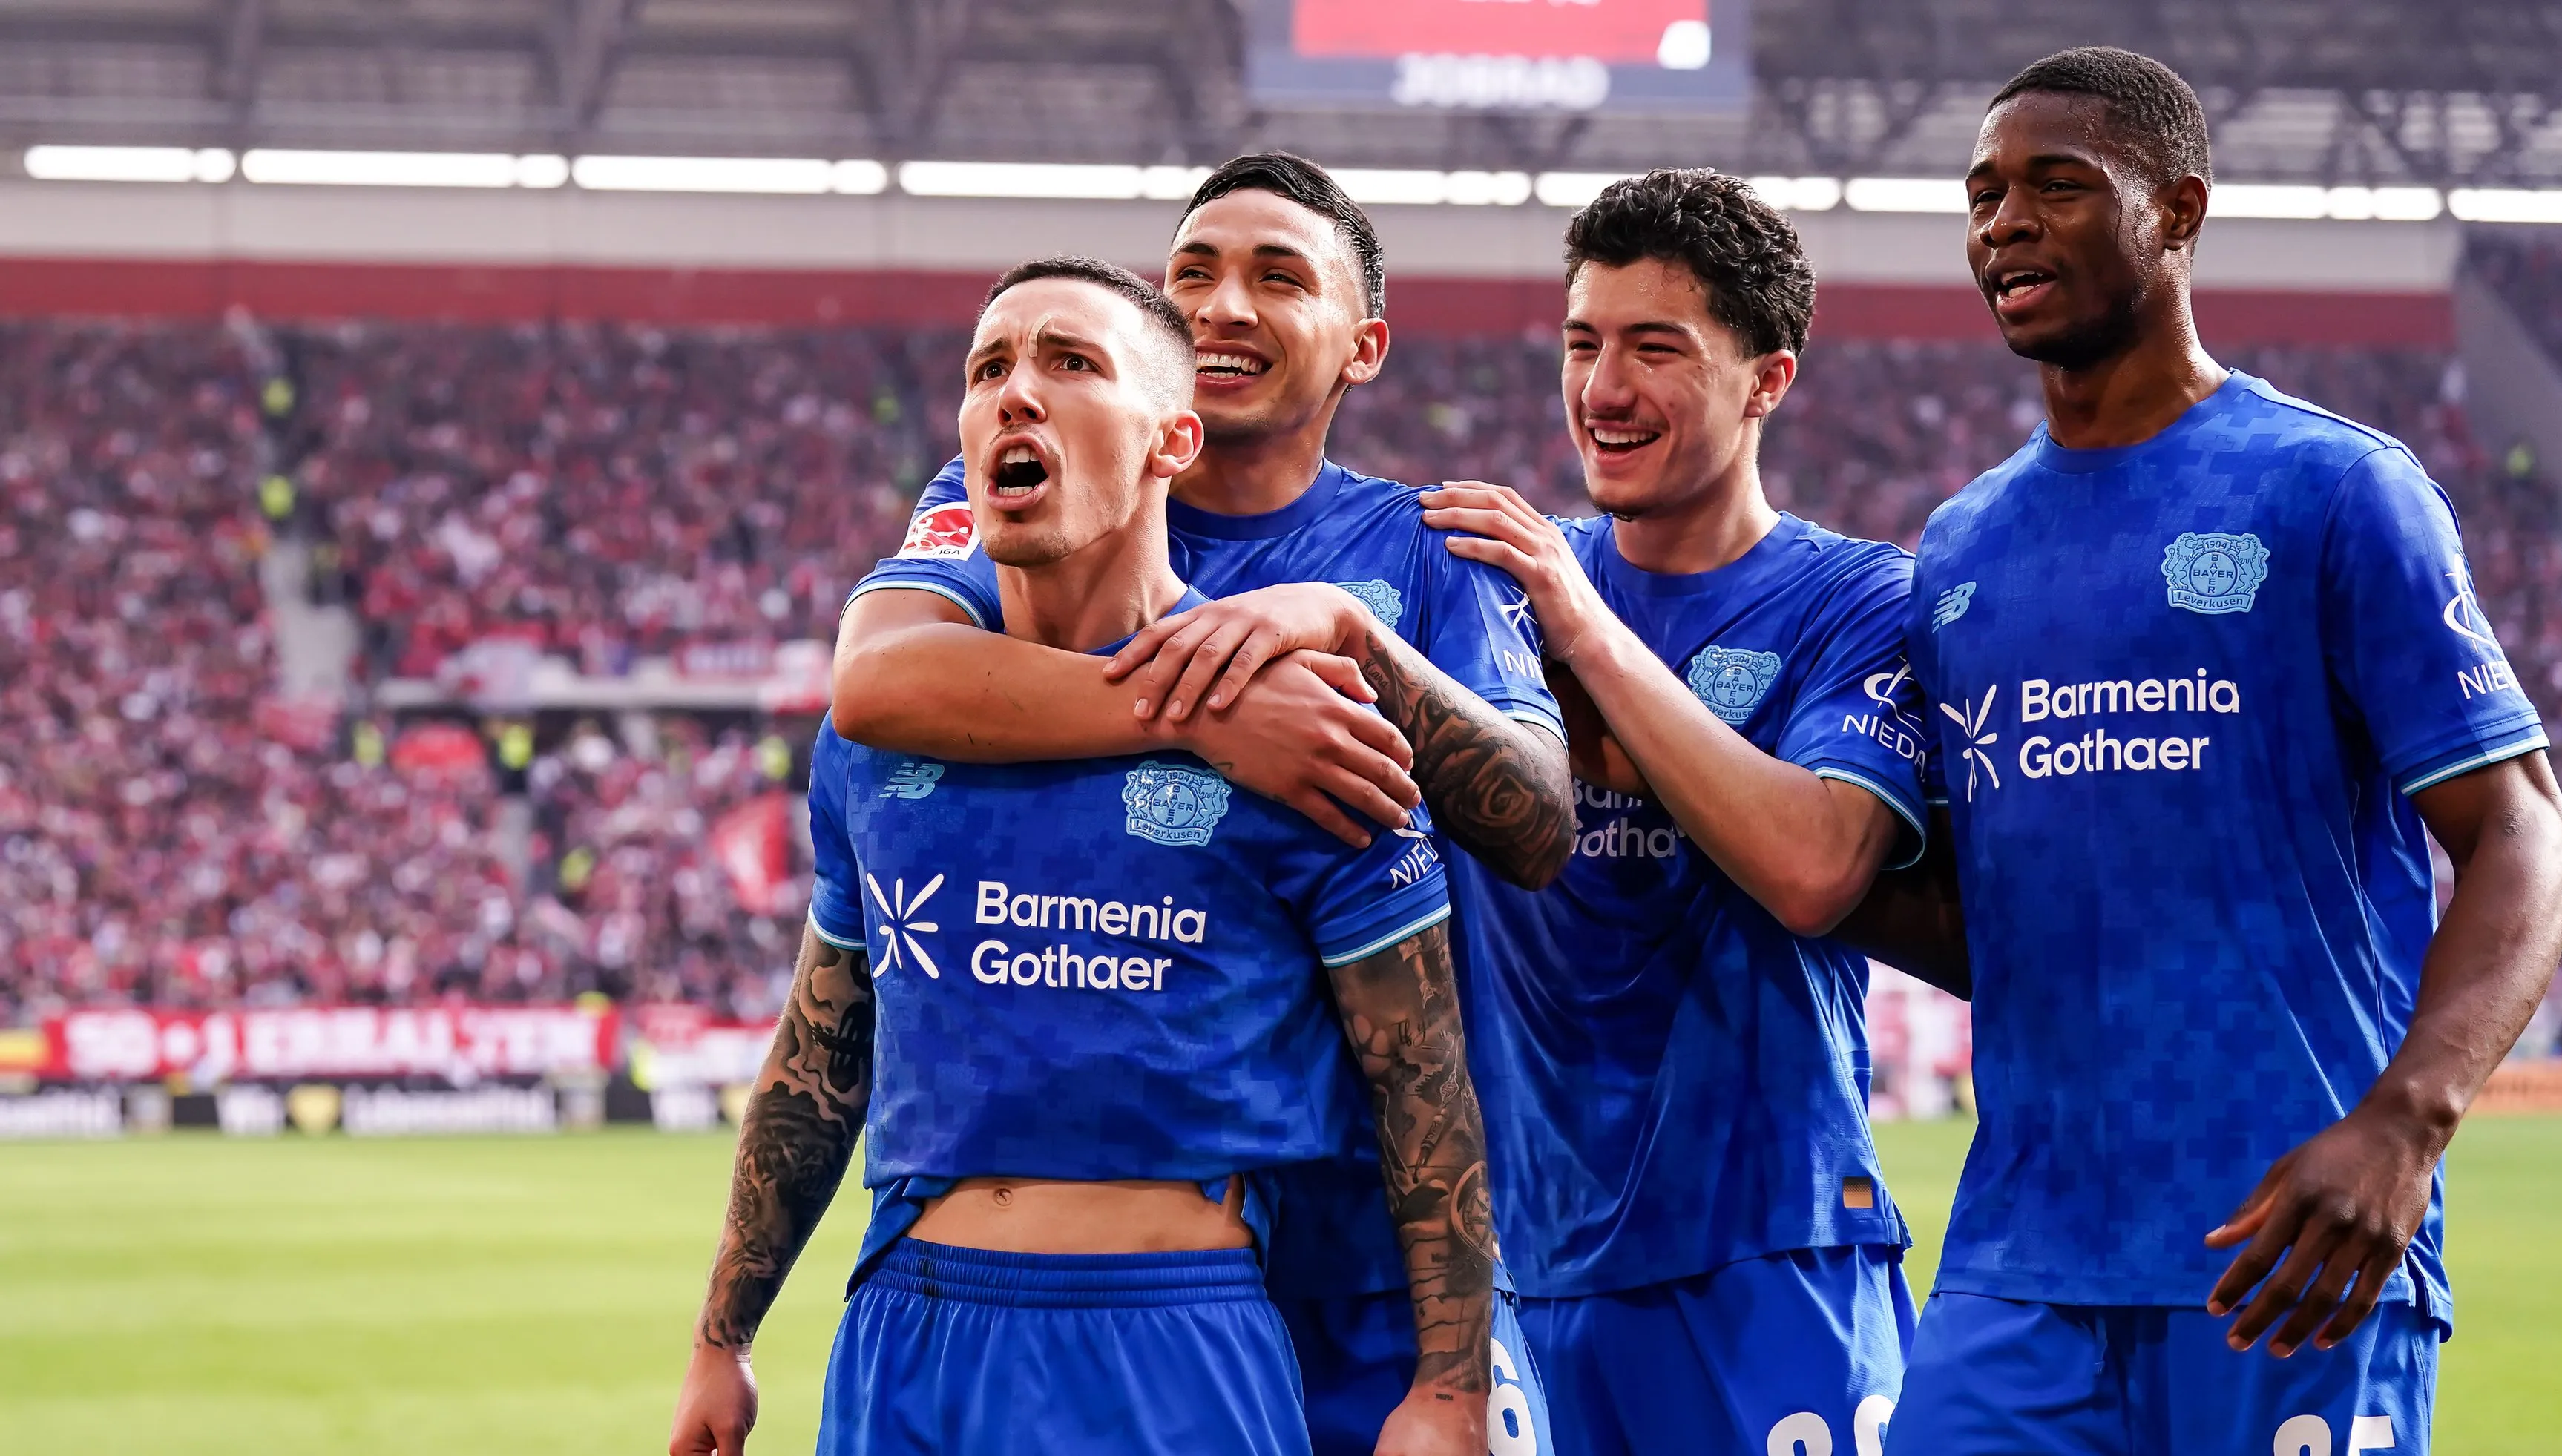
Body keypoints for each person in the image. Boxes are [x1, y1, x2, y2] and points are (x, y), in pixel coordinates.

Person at [666, 257, 1498, 1456]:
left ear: (1172, 440)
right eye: (988, 367)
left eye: (1070, 362)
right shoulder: (883, 733)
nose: (1015, 392)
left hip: (1169, 1343)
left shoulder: (1302, 728)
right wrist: (722, 1337)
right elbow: (819, 1050)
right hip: (908, 1333)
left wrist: (1449, 1386)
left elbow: (1424, 1084)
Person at [1886, 47, 2562, 1454]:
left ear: (2178, 212)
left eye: (2054, 185)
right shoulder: (1956, 549)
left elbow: (2523, 830)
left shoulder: (2333, 487)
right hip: (2019, 1266)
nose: (2002, 223)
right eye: (1981, 195)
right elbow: (1991, 915)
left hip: (2288, 1252)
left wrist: (2406, 1121)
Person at [833, 154, 1573, 1455]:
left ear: (1364, 345)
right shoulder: (1002, 493)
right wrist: (1209, 703)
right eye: (1192, 275)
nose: (1222, 304)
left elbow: (1532, 826)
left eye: (1275, 278)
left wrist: (1354, 637)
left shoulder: (1423, 548)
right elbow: (876, 682)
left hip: (1378, 1271)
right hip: (1145, 1255)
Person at [1408, 170, 1932, 1454]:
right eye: (1582, 344)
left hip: (1766, 1249)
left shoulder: (1857, 600)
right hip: (1519, 1273)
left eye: (1656, 348)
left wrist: (1585, 631)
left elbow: (1814, 864)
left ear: (1767, 379)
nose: (1603, 387)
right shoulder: (1488, 601)